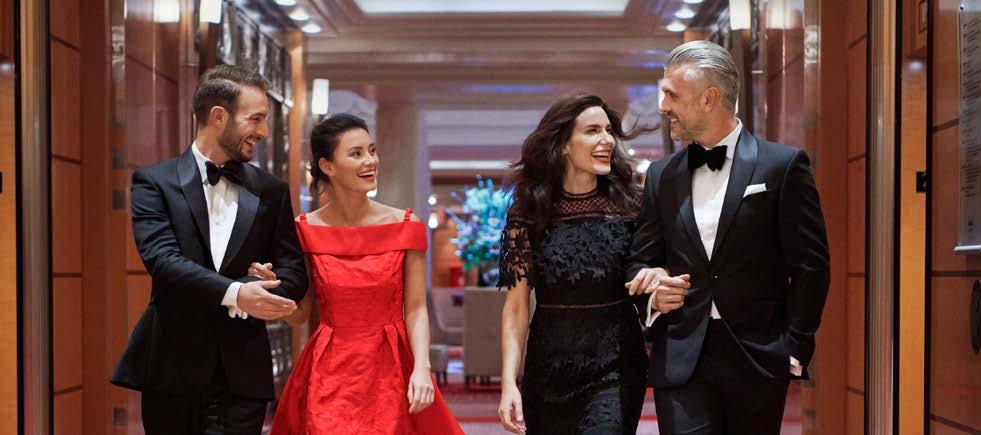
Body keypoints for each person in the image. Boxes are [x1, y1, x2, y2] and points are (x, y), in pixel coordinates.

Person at [625, 40, 831, 434]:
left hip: (758, 357)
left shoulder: (783, 166)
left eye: (671, 94)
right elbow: (639, 260)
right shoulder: (661, 176)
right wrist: (652, 294)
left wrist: (794, 346)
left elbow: (811, 266)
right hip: (682, 357)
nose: (662, 106)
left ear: (709, 98)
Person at [111, 64, 309, 434]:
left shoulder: (272, 191)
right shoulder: (154, 182)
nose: (264, 132)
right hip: (171, 369)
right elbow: (163, 262)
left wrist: (267, 286)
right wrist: (238, 293)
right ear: (219, 117)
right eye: (256, 119)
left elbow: (295, 272)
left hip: (242, 374)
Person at [267, 113, 464, 435]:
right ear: (327, 166)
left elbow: (416, 309)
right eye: (356, 154)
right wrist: (273, 294)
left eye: (372, 151)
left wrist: (422, 368)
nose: (370, 161)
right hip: (329, 367)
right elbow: (301, 314)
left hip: (391, 366)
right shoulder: (304, 230)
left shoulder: (406, 226)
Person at [496, 94, 650, 434]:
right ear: (563, 144)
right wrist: (508, 382)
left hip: (616, 367)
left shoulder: (631, 205)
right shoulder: (527, 213)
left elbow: (651, 267)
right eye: (593, 131)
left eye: (608, 130)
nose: (607, 140)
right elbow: (516, 306)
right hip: (547, 371)